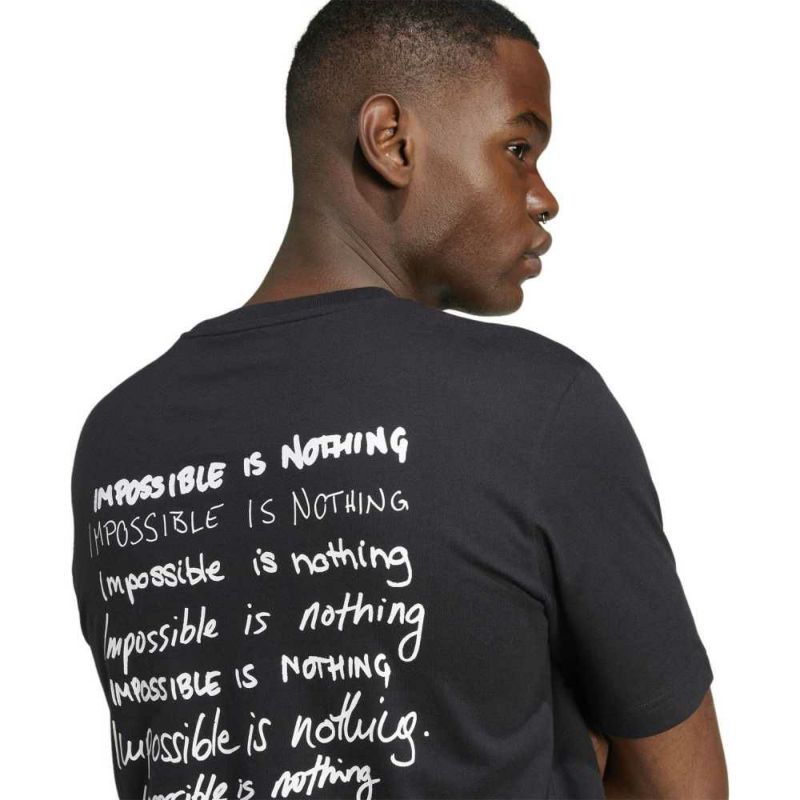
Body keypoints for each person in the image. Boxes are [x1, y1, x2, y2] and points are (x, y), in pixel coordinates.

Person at [71, 1, 727, 798]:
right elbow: (683, 789)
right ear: (391, 140)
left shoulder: (117, 440)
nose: (544, 196)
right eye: (518, 149)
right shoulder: (538, 408)